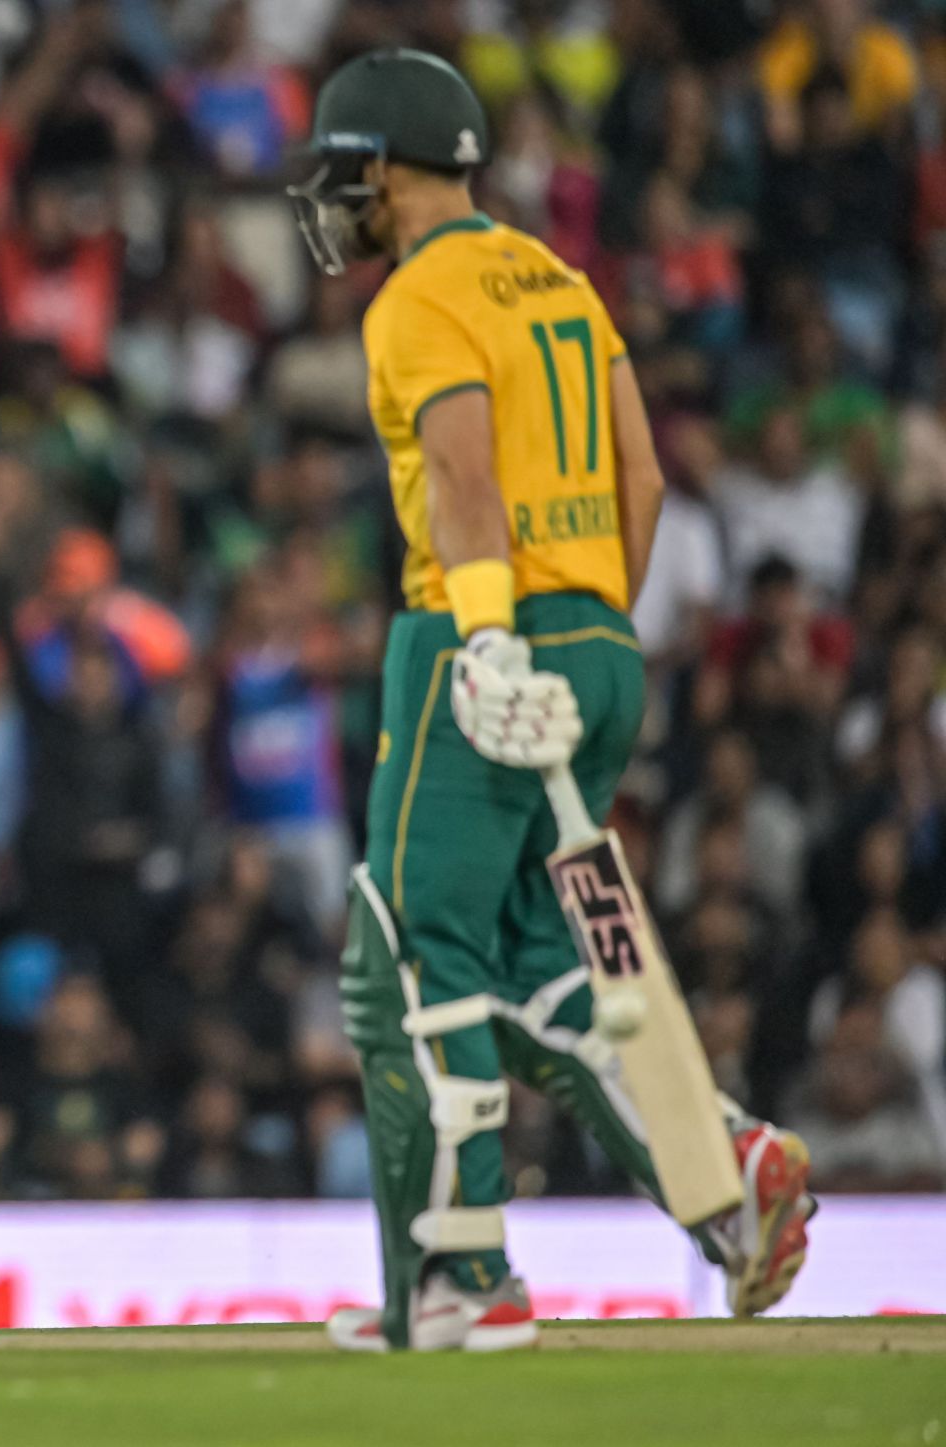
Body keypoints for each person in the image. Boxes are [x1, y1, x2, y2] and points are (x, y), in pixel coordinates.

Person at [286, 48, 816, 1353]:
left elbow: (464, 479)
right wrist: (583, 643)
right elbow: (640, 481)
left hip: (474, 635)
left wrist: (488, 640)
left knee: (408, 947)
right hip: (599, 639)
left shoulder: (420, 297)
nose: (339, 195)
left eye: (351, 168)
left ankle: (460, 1271)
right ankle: (728, 1159)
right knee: (532, 962)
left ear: (396, 167)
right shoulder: (561, 283)